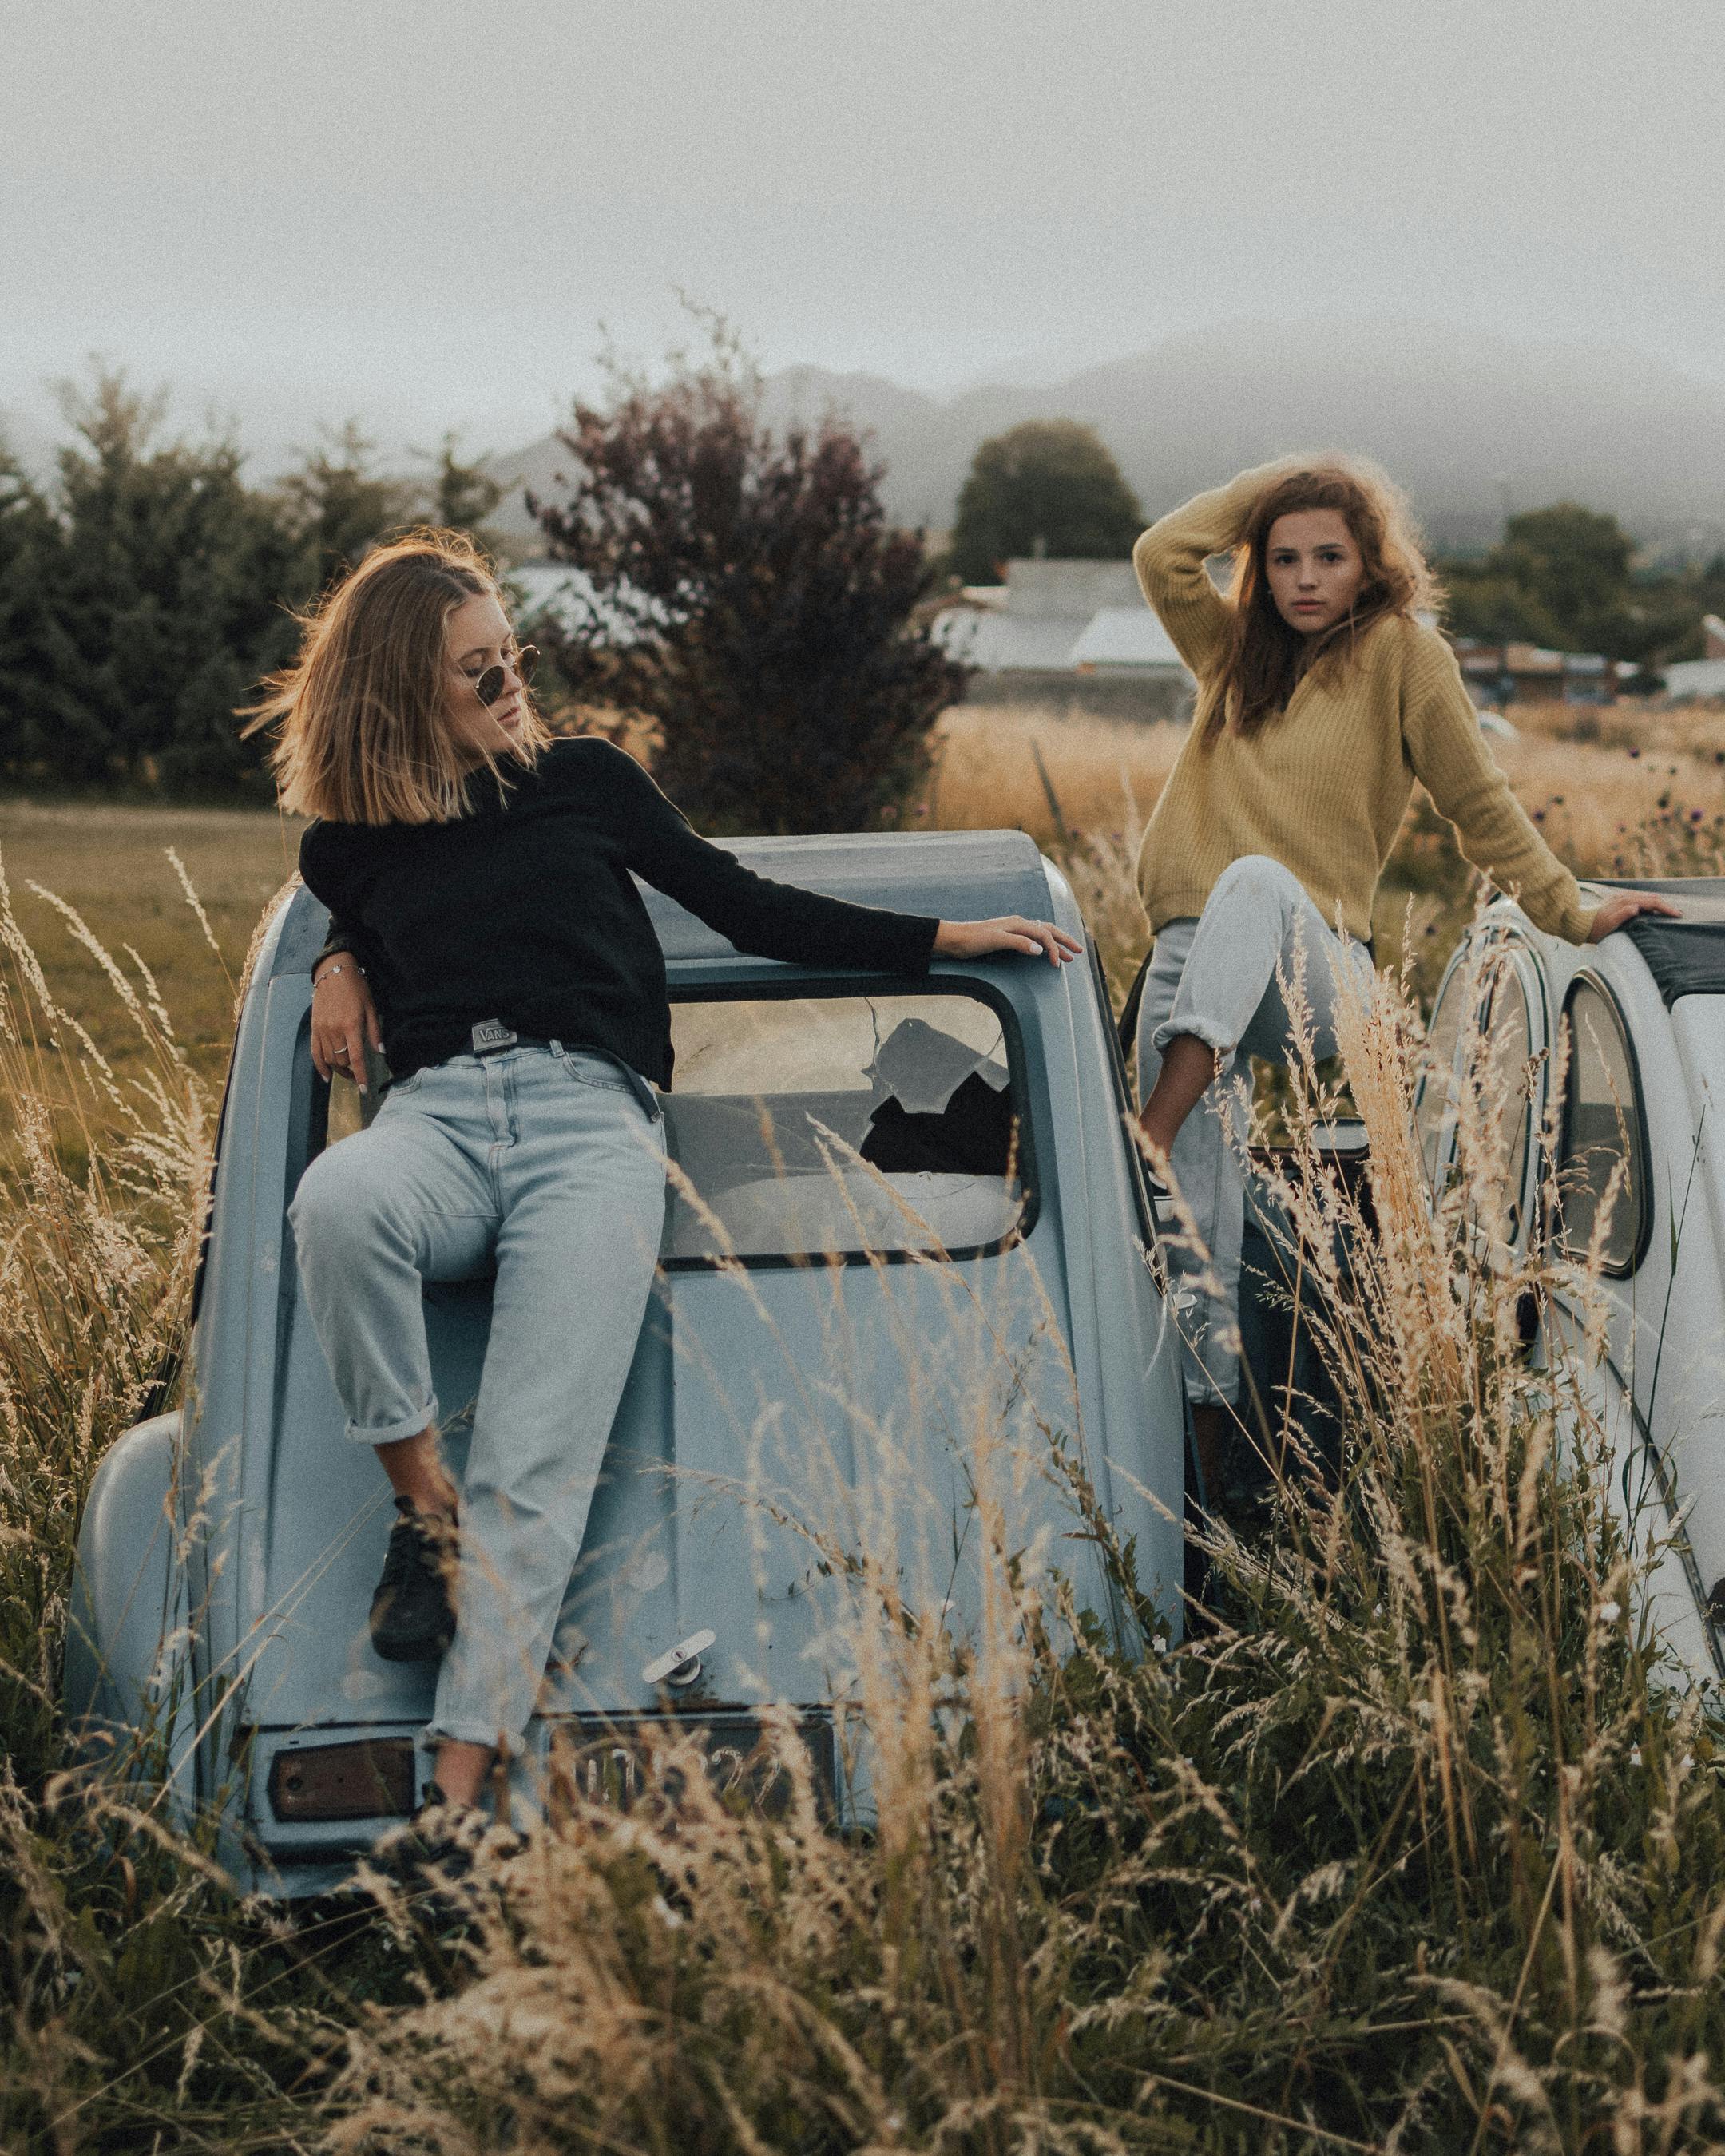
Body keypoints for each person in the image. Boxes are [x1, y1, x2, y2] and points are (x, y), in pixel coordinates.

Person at [245, 529, 1081, 1821]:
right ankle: (428, 1512)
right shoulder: (345, 847)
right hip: (441, 1116)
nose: (511, 683)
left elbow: (744, 905)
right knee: (337, 1200)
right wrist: (343, 958)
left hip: (592, 1122)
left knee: (540, 1449)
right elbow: (365, 902)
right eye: (479, 672)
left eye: (512, 656)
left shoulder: (584, 781)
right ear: (407, 693)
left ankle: (458, 1795)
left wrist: (943, 938)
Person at [1128, 459, 1678, 1502]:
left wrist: (1569, 908)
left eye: (1328, 555)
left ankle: (1146, 1131)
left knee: (1250, 885)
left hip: (1317, 972)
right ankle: (1216, 1503)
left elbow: (1477, 800)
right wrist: (1273, 492)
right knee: (1188, 1243)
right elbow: (1161, 554)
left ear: (1370, 560)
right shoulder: (1233, 656)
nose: (1303, 578)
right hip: (1196, 962)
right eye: (1281, 557)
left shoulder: (1401, 655)